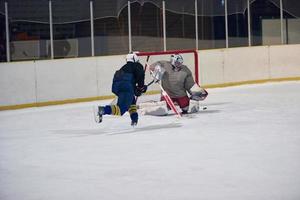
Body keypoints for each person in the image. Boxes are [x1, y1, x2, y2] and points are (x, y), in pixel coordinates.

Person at [96, 52, 147, 126]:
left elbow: (128, 81)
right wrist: (141, 88)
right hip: (126, 86)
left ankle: (134, 121)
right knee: (121, 110)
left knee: (131, 102)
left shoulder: (124, 68)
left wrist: (136, 89)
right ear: (134, 59)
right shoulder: (137, 65)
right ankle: (103, 110)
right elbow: (140, 77)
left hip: (118, 87)